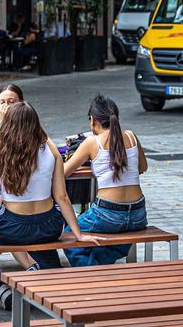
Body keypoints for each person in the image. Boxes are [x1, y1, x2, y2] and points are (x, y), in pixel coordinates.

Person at [0, 102, 98, 308]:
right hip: (50, 226)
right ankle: (43, 272)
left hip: (13, 227)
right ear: (35, 123)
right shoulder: (51, 149)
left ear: (6, 125)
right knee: (41, 241)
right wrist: (78, 235)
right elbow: (62, 197)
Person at [62, 95, 149, 266]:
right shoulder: (131, 136)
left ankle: (92, 274)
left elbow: (63, 172)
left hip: (108, 214)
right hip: (138, 215)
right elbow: (143, 167)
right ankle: (99, 267)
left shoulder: (91, 142)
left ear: (92, 120)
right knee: (117, 239)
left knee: (69, 235)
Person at [0, 84, 34, 270]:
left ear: (21, 104)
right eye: (2, 102)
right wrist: (3, 124)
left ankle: (32, 265)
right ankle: (28, 265)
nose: (6, 106)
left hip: (23, 185)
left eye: (11, 102)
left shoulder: (28, 124)